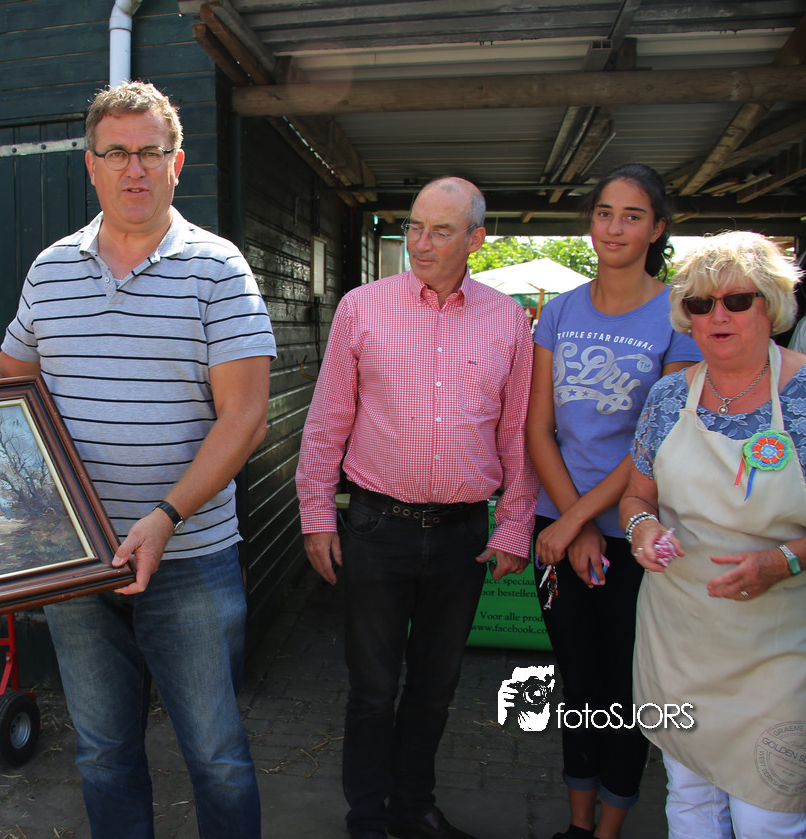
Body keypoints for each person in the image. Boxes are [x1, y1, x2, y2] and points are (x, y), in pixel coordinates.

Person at [0, 81, 275, 839]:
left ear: (177, 163)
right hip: (76, 559)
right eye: (116, 153)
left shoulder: (218, 269)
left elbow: (246, 418)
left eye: (150, 152)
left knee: (217, 756)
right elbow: (12, 374)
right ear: (91, 165)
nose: (134, 168)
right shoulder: (51, 270)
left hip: (189, 559)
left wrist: (165, 518)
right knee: (104, 753)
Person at [295, 177, 539, 839]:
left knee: (435, 686)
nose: (420, 243)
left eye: (441, 230)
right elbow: (327, 421)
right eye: (414, 227)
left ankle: (413, 807)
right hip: (377, 526)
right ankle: (366, 818)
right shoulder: (362, 308)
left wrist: (516, 523)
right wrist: (316, 515)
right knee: (373, 688)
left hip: (463, 533)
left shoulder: (507, 320)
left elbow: (517, 432)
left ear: (476, 239)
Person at [525, 163, 701, 839]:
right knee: (578, 680)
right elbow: (538, 429)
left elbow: (659, 439)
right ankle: (578, 824)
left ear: (657, 228)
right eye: (605, 212)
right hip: (558, 528)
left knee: (628, 688)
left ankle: (610, 829)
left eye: (633, 215)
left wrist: (582, 521)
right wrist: (571, 523)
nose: (615, 227)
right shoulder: (561, 311)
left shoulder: (678, 315)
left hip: (637, 532)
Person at [621, 230, 806, 837]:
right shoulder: (668, 396)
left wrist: (783, 561)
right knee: (689, 801)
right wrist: (643, 529)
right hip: (678, 640)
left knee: (767, 818)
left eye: (737, 300)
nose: (717, 316)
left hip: (778, 650)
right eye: (701, 304)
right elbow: (637, 496)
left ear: (771, 305)